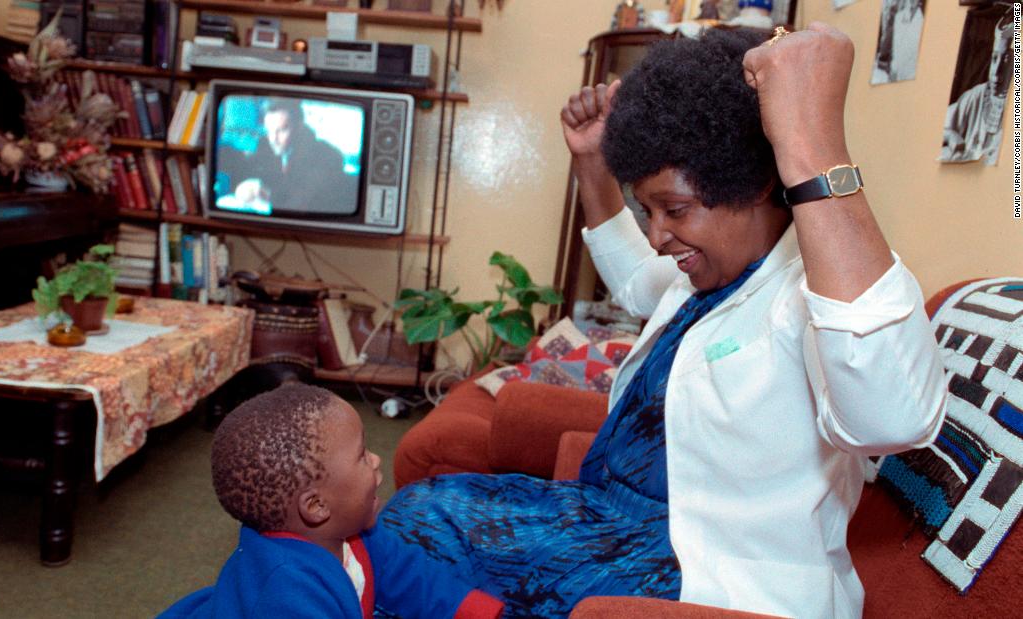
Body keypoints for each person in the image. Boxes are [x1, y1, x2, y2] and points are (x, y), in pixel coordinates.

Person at [373, 24, 947, 619]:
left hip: (689, 567)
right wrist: (593, 166)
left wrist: (813, 147)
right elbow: (634, 281)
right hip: (607, 518)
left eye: (674, 210)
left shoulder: (818, 292)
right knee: (420, 516)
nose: (655, 235)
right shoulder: (712, 279)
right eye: (646, 210)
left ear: (753, 185)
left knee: (412, 547)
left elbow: (892, 416)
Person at [158, 383, 504, 618]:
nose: (376, 460)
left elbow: (415, 579)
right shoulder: (287, 592)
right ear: (316, 506)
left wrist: (480, 611)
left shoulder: (357, 533)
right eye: (361, 456)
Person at [225, 99, 357, 213]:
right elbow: (242, 174)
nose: (273, 139)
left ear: (299, 127)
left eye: (281, 130)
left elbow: (300, 202)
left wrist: (267, 194)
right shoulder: (265, 145)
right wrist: (242, 187)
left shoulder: (328, 157)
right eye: (269, 131)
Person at [940, 11, 1013, 164]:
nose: (997, 72)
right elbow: (939, 125)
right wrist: (952, 136)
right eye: (994, 59)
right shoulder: (976, 96)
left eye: (1006, 62)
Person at [872, 0, 924, 84]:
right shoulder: (899, 17)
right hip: (893, 71)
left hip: (910, 75)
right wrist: (893, 69)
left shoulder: (922, 21)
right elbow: (895, 48)